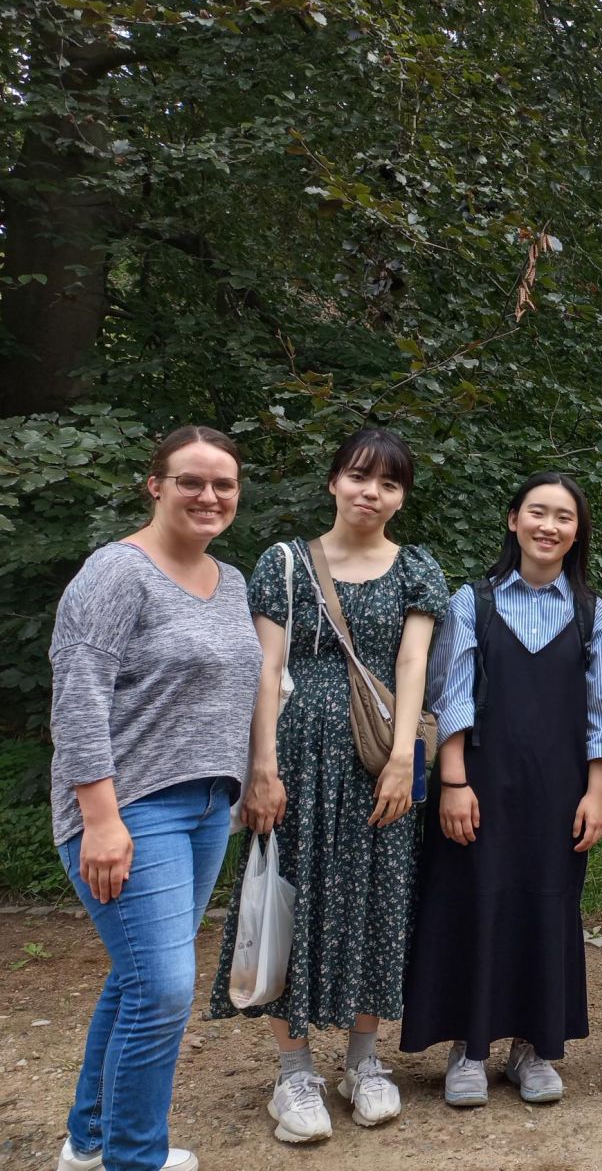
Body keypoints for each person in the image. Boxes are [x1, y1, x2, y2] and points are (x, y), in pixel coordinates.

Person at [208, 428, 448, 1144]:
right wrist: (262, 765)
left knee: (378, 900)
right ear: (334, 482)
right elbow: (264, 667)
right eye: (359, 476)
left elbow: (412, 665)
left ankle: (365, 1062)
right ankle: (293, 1072)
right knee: (289, 896)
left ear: (402, 497)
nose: (371, 493)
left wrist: (404, 756)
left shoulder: (417, 569)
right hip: (295, 762)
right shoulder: (284, 564)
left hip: (378, 765)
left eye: (389, 483)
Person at [51, 426, 262, 1171]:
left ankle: (90, 1142)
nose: (209, 496)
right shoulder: (115, 574)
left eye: (224, 485)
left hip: (210, 808)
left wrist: (251, 778)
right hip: (130, 807)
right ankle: (132, 1160)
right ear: (156, 485)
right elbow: (78, 702)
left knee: (139, 977)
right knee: (165, 986)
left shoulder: (231, 582)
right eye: (191, 481)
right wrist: (100, 821)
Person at [401, 471, 602, 1106]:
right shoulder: (472, 602)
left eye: (564, 517)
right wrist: (452, 781)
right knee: (472, 902)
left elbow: (601, 716)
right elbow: (450, 697)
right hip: (478, 784)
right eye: (537, 512)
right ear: (513, 520)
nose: (549, 526)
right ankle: (469, 1048)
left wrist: (596, 793)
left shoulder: (593, 615)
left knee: (547, 904)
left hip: (558, 792)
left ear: (577, 532)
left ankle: (533, 1046)